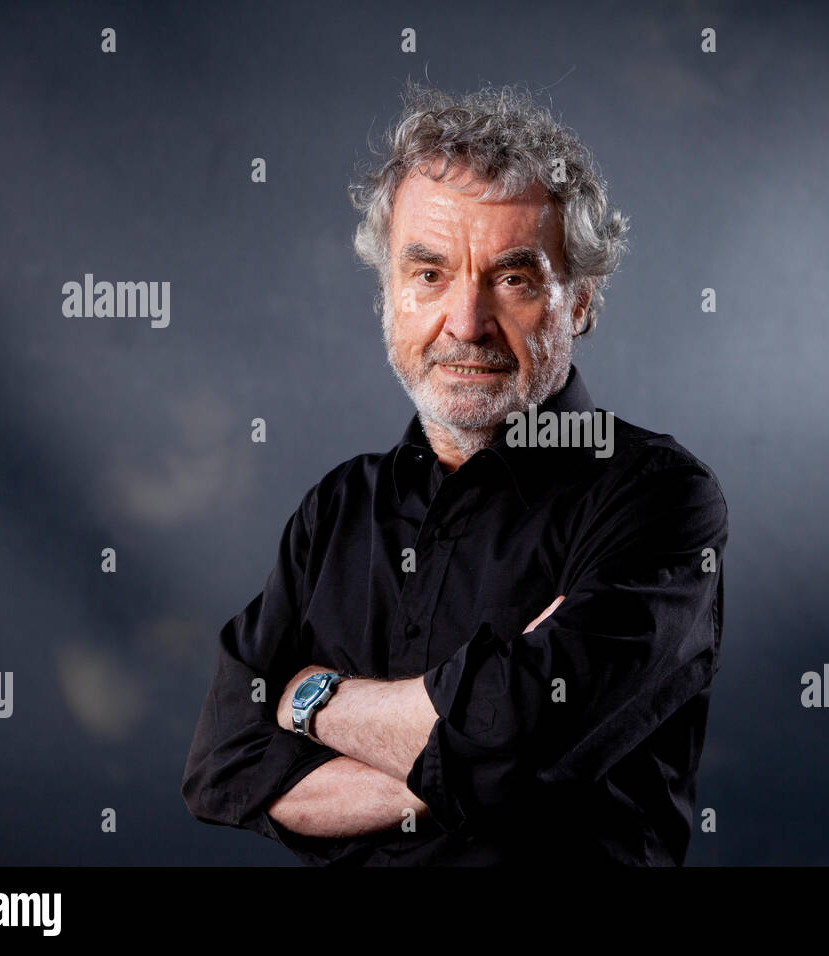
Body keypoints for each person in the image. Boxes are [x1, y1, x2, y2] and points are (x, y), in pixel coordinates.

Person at [181, 81, 728, 865]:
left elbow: (521, 746)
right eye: (429, 274)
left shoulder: (659, 498)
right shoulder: (337, 510)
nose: (465, 324)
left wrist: (310, 700)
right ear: (389, 295)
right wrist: (470, 751)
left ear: (579, 301)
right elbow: (222, 766)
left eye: (512, 278)